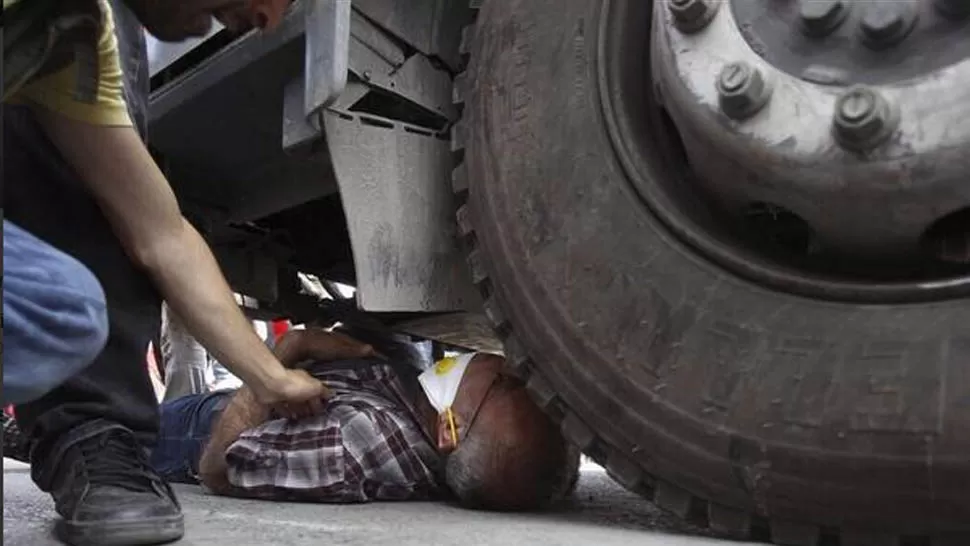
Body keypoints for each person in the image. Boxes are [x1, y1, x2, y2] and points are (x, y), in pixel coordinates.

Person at [2, 0, 317, 544]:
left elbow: (161, 235)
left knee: (61, 311)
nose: (272, 18)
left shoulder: (74, 39)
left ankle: (93, 435)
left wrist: (272, 378)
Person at [154, 327, 581, 510]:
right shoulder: (424, 413)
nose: (499, 361)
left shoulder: (356, 444)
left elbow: (217, 468)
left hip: (191, 430)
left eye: (504, 382)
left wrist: (282, 355)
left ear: (450, 430)